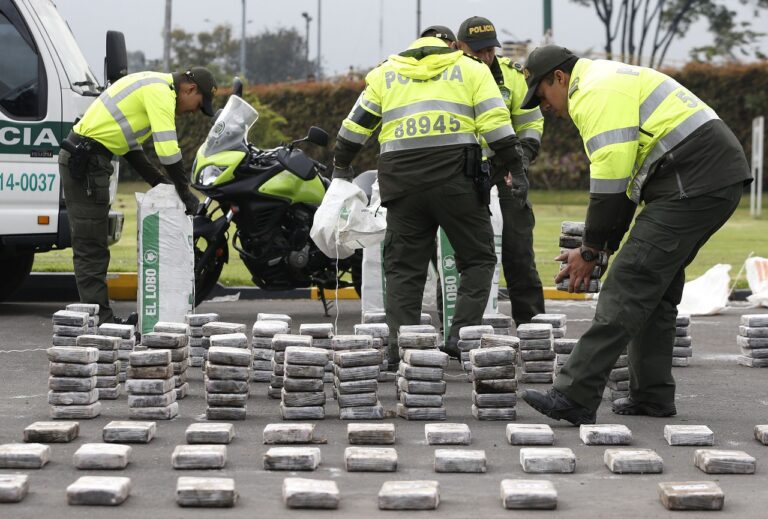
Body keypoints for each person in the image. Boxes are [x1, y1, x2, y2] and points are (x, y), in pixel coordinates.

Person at [517, 46, 752, 425]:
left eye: (542, 95)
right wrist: (599, 247)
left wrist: (592, 251)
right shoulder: (605, 79)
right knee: (653, 288)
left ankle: (573, 396)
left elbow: (611, 183)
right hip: (705, 177)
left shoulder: (594, 93)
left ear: (559, 78)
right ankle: (652, 396)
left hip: (693, 180)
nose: (544, 106)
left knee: (628, 282)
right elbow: (623, 186)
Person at [331, 34, 528, 364]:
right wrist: (515, 167)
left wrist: (340, 168)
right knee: (478, 260)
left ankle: (400, 352)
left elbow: (354, 128)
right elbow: (496, 124)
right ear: (452, 47)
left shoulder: (385, 73)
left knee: (404, 270)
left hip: (401, 184)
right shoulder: (471, 69)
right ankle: (459, 337)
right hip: (457, 183)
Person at [59, 67, 218, 325]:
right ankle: (100, 323)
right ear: (189, 89)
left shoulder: (152, 83)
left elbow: (130, 146)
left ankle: (99, 318)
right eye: (198, 105)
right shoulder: (162, 93)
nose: (193, 112)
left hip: (89, 160)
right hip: (87, 163)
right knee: (91, 245)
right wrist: (185, 193)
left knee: (93, 243)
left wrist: (158, 181)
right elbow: (168, 149)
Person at [456, 16, 546, 325]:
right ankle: (460, 331)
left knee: (519, 249)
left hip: (505, 168)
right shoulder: (449, 77)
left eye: (489, 50)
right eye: (477, 51)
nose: (485, 57)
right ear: (458, 47)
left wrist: (520, 162)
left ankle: (532, 327)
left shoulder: (513, 76)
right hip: (462, 172)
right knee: (463, 255)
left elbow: (531, 123)